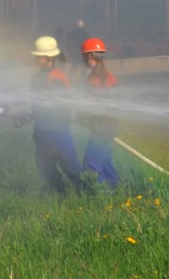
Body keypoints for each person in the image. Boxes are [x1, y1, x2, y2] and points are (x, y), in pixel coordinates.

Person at [27, 35, 81, 193]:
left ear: (49, 58)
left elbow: (57, 106)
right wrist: (25, 117)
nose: (36, 59)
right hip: (42, 131)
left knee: (71, 169)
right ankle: (60, 195)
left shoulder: (57, 78)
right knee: (44, 167)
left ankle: (88, 194)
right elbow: (37, 105)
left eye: (39, 56)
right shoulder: (37, 77)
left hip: (57, 131)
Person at [78, 37, 120, 187]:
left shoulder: (98, 78)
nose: (83, 60)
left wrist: (86, 114)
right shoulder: (103, 76)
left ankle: (102, 195)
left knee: (91, 166)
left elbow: (101, 105)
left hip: (102, 129)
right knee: (106, 163)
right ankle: (115, 191)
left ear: (90, 56)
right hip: (105, 126)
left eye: (84, 56)